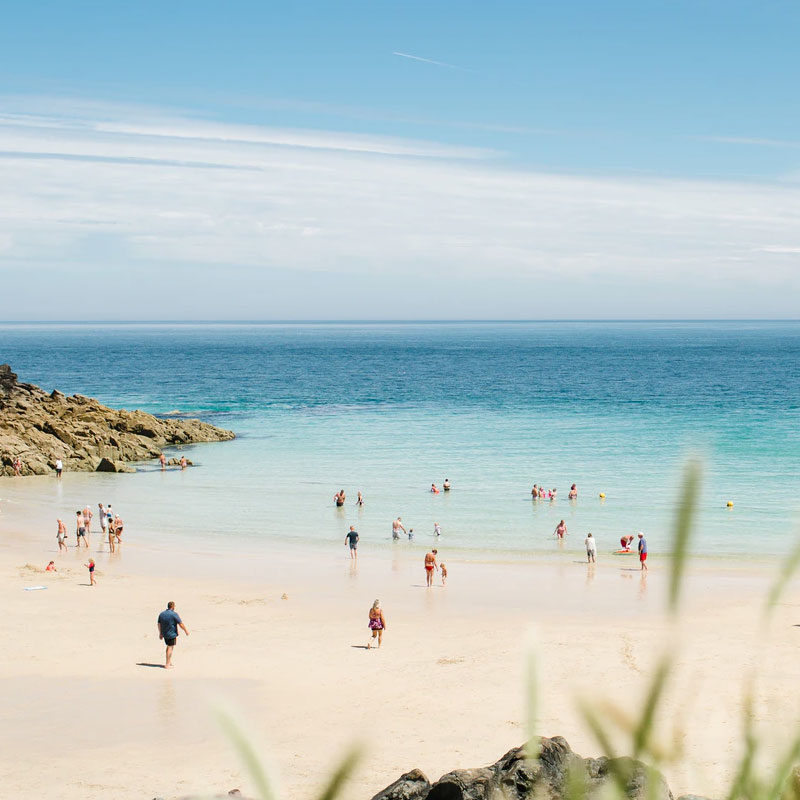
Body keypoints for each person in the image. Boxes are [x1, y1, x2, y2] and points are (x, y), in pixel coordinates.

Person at [157, 601, 189, 669]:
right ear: (173, 606)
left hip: (165, 633)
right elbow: (180, 624)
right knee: (170, 647)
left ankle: (169, 661)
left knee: (168, 647)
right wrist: (186, 631)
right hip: (171, 634)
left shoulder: (162, 614)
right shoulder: (174, 614)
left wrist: (160, 633)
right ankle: (167, 664)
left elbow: (159, 624)